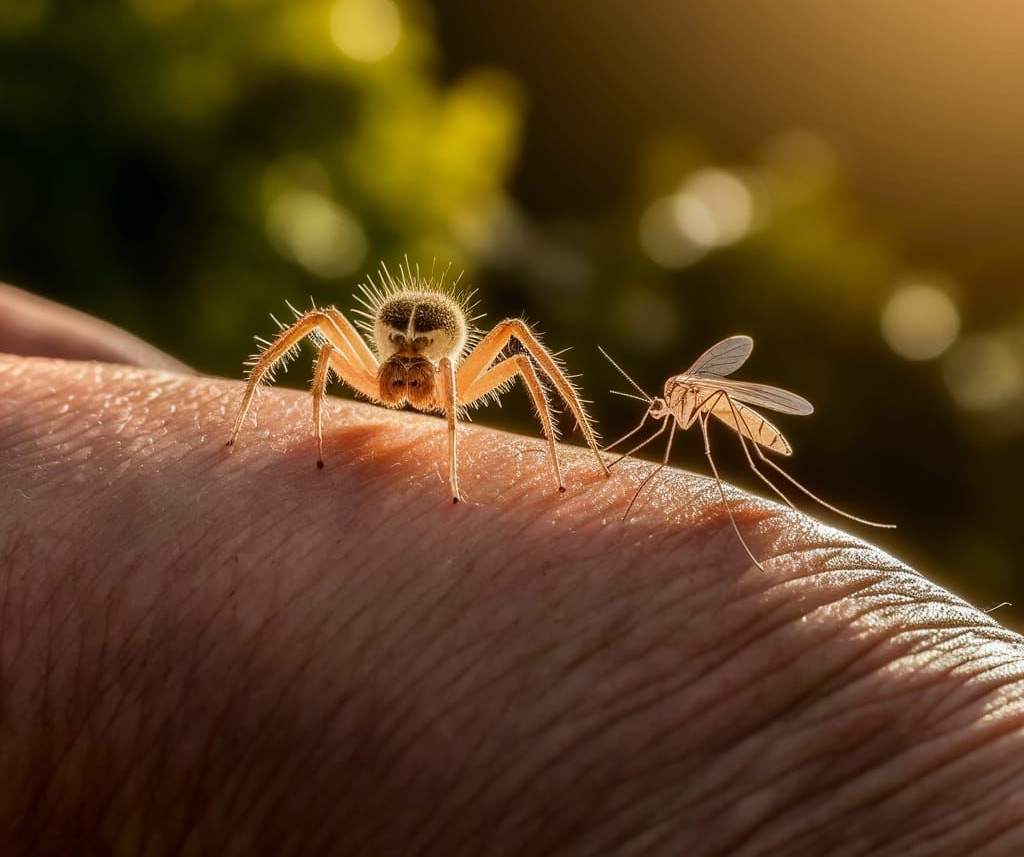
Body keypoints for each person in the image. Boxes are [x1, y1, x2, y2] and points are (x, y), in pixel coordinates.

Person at [1, 283, 1021, 855]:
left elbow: (517, 348)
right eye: (400, 351)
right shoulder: (363, 352)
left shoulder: (460, 368)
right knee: (319, 327)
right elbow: (316, 334)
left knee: (522, 343)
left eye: (420, 356)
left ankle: (579, 448)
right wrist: (257, 420)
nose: (407, 367)